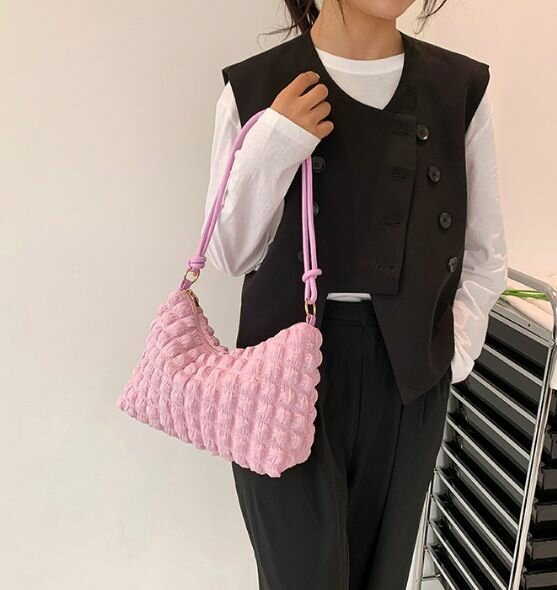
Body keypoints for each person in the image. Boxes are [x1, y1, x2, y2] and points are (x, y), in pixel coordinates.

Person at [203, 1, 508, 588]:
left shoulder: (459, 88)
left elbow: (483, 254)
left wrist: (450, 355)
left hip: (409, 376)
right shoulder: (257, 86)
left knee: (384, 576)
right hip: (279, 377)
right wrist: (275, 140)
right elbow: (229, 254)